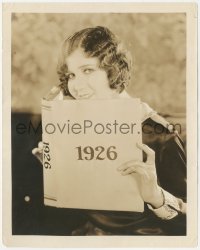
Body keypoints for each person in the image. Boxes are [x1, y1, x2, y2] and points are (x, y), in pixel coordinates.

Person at [32, 26, 186, 235]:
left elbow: (192, 226)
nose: (76, 86)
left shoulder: (160, 134)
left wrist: (156, 197)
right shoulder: (78, 128)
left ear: (113, 68)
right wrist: (58, 172)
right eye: (71, 75)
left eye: (87, 70)